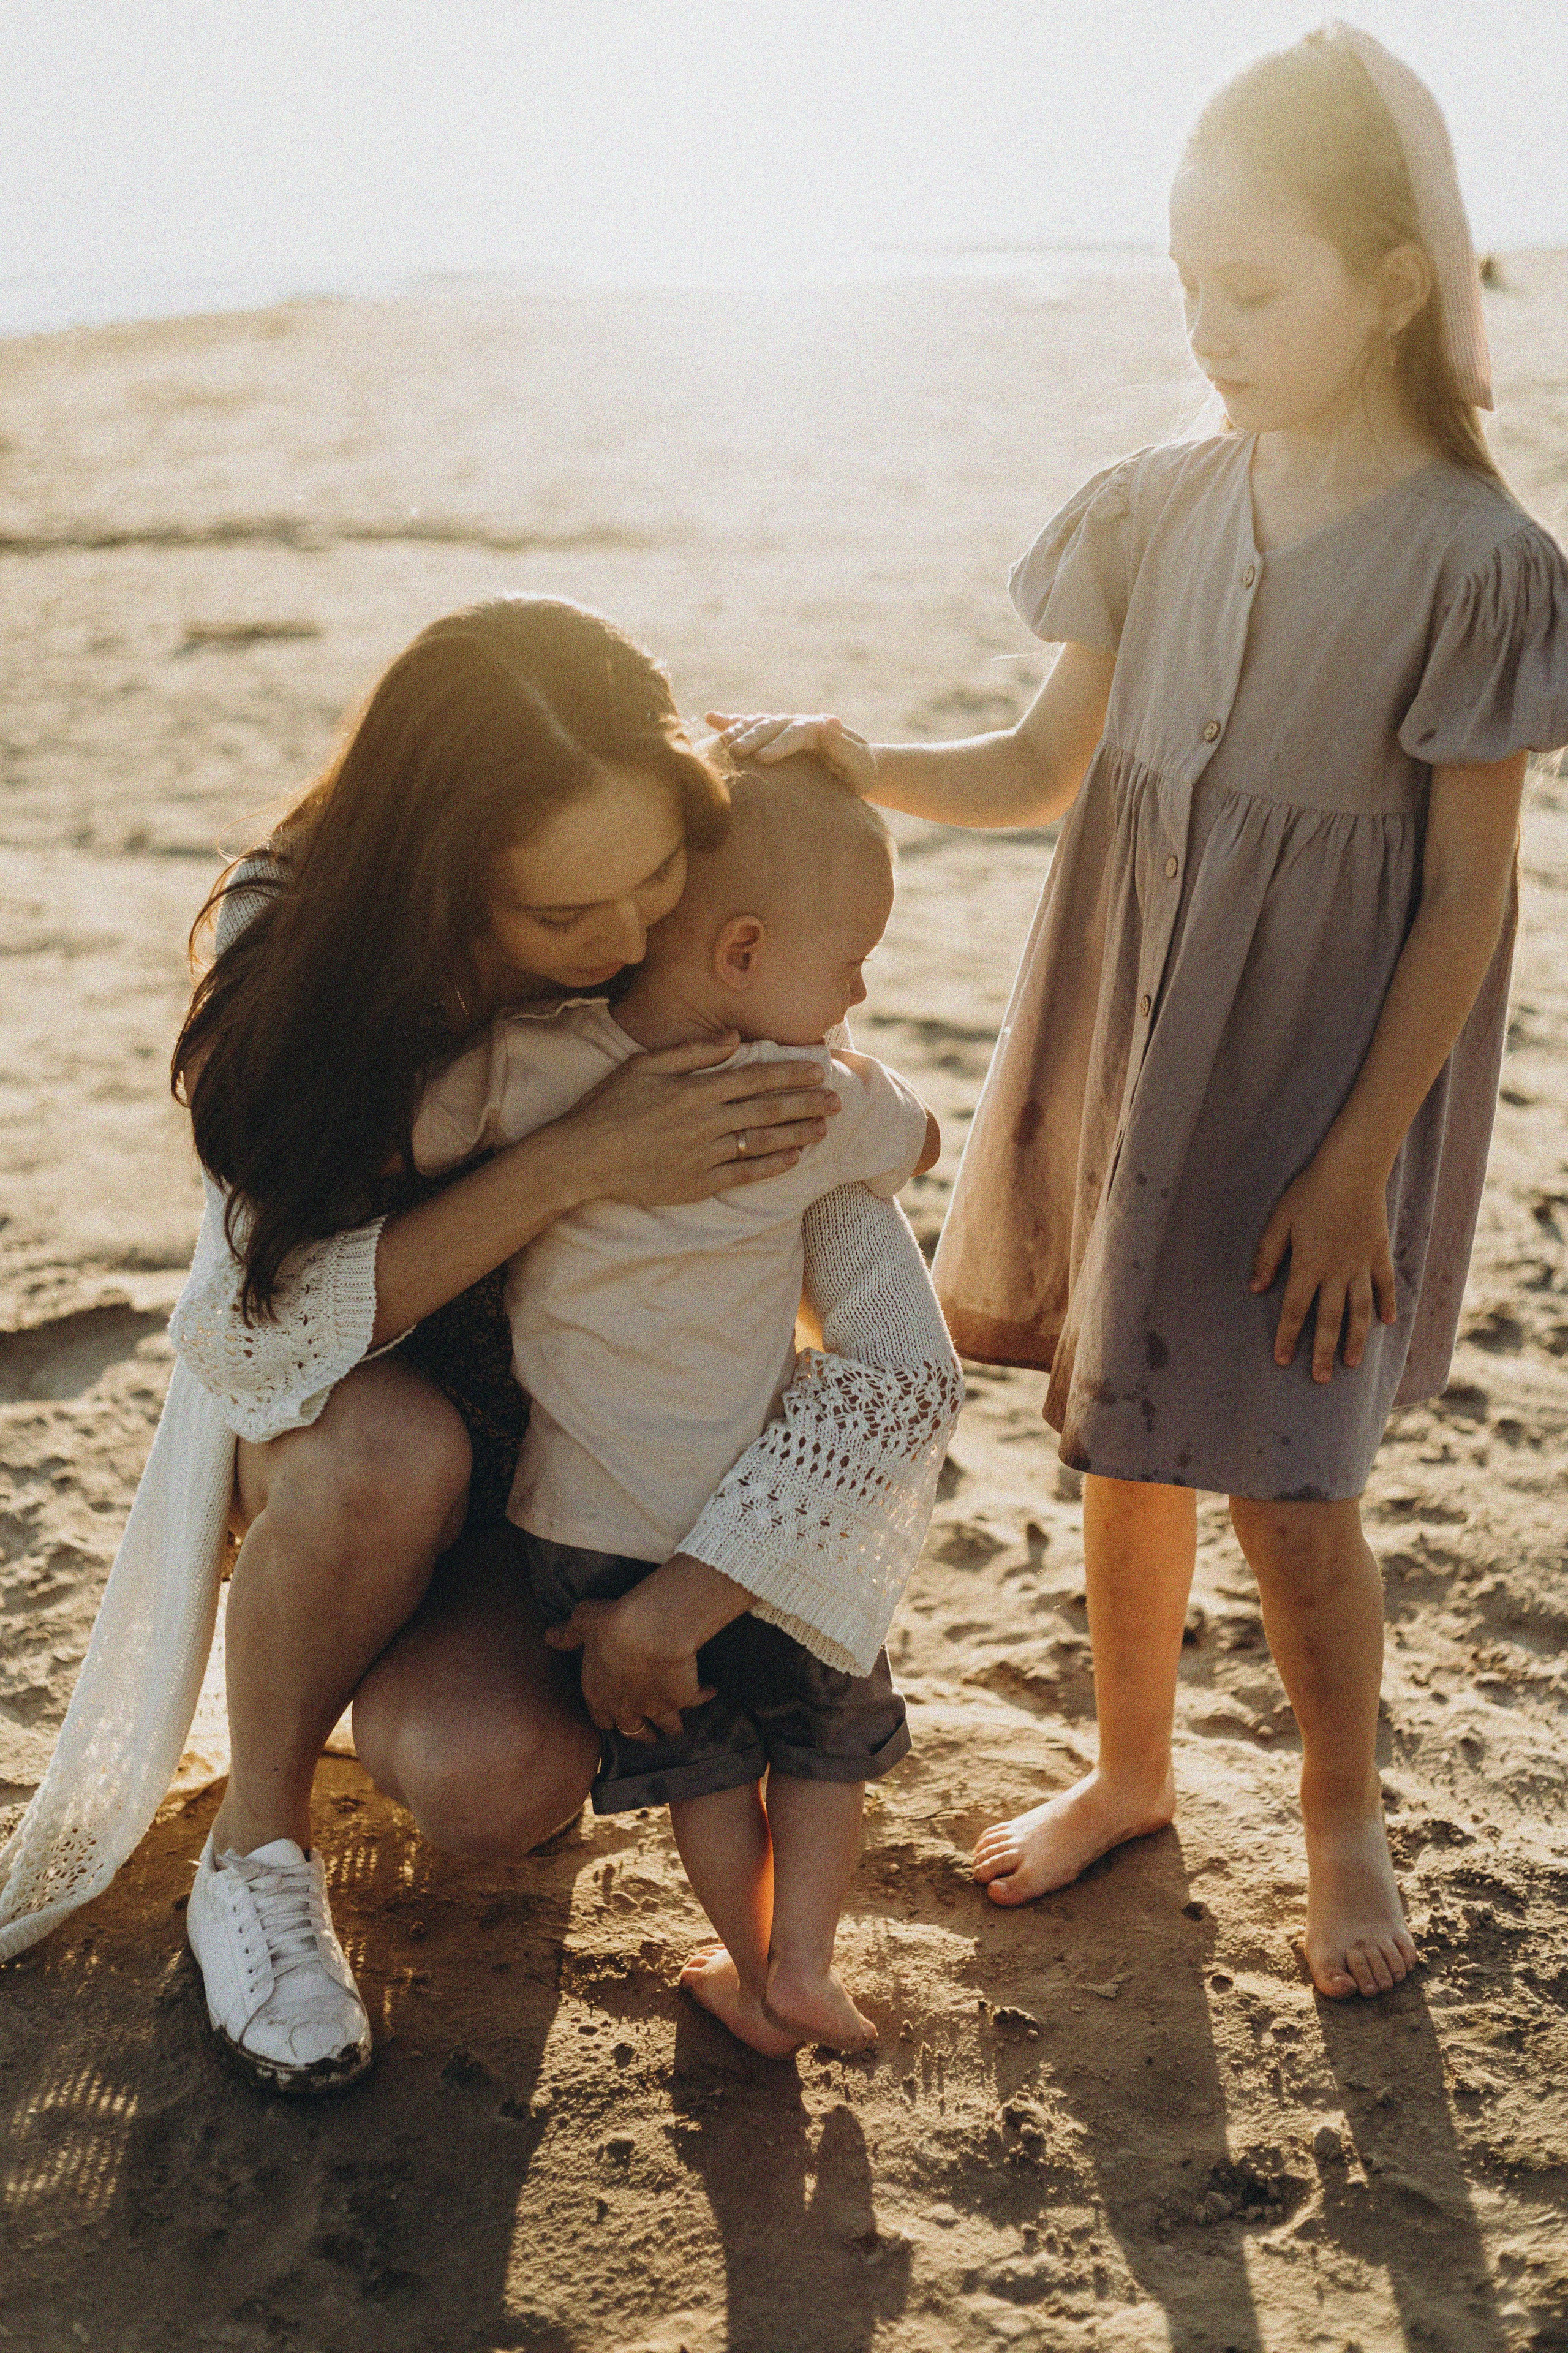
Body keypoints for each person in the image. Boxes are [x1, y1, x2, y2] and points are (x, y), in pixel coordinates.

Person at [709, 25, 1568, 2000]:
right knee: (1128, 1443)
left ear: (1397, 288)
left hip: (1313, 1096)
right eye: (1187, 287)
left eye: (1254, 291)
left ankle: (1343, 1819)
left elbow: (1463, 894)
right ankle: (1133, 1768)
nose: (1211, 327)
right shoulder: (1157, 505)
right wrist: (857, 756)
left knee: (1294, 1472)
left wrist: (1359, 1161)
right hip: (1135, 1050)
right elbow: (1033, 770)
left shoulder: (1478, 566)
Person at [0, 599, 963, 2097]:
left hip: (579, 1490)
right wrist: (575, 1161)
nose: (627, 939)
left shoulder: (703, 942)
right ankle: (255, 1846)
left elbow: (899, 1370)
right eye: (563, 918)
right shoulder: (312, 963)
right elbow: (263, 1344)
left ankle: (386, 1680)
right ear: (441, 885)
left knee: (487, 1782)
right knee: (395, 1452)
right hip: (348, 1430)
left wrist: (686, 1599)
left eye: (656, 879)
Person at [413, 763, 943, 2055]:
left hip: (591, 1528)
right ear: (745, 951)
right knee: (816, 1744)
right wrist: (869, 1089)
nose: (858, 994)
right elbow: (923, 1143)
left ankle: (753, 1970)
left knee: (698, 1760)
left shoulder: (537, 1063)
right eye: (854, 961)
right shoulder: (807, 1096)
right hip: (765, 1519)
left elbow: (421, 1137)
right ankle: (810, 1963)